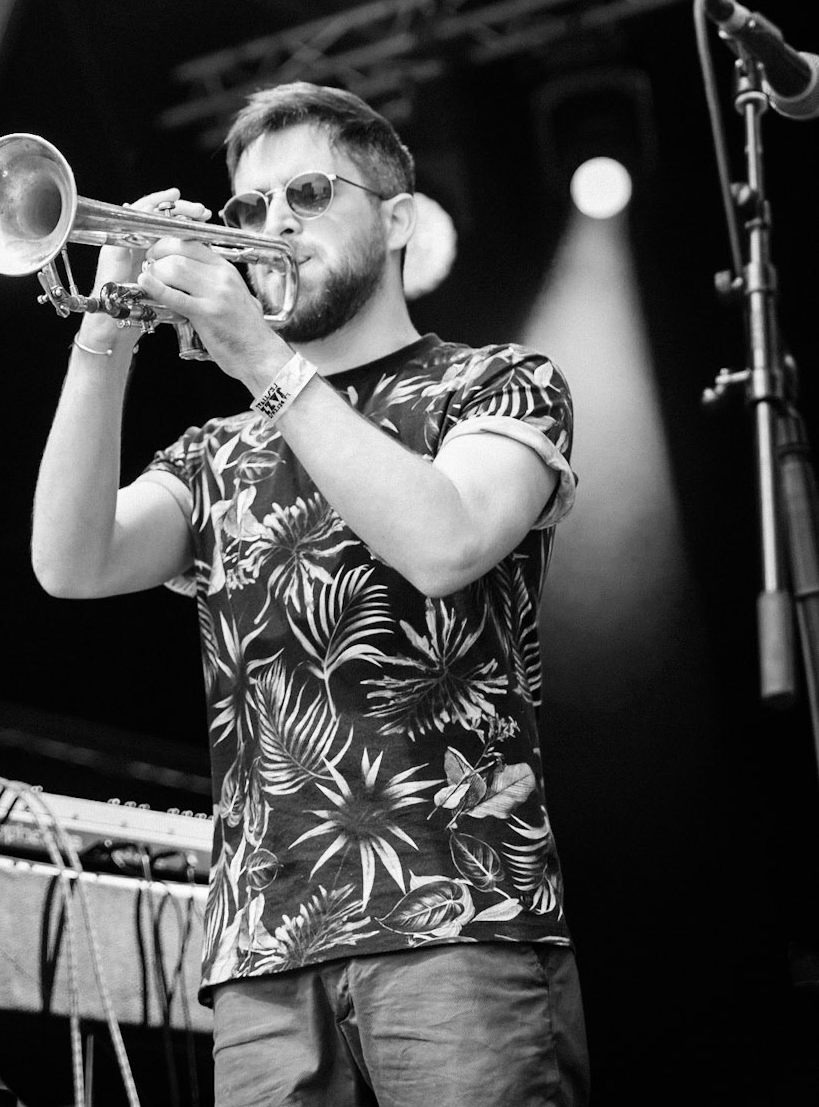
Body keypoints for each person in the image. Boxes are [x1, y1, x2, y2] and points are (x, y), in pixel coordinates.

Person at [31, 82, 588, 1106]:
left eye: (309, 191)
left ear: (398, 215)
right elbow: (71, 559)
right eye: (248, 207)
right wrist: (106, 322)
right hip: (263, 955)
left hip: (459, 923)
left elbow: (446, 540)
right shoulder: (216, 451)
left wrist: (259, 358)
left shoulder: (497, 383)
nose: (271, 223)